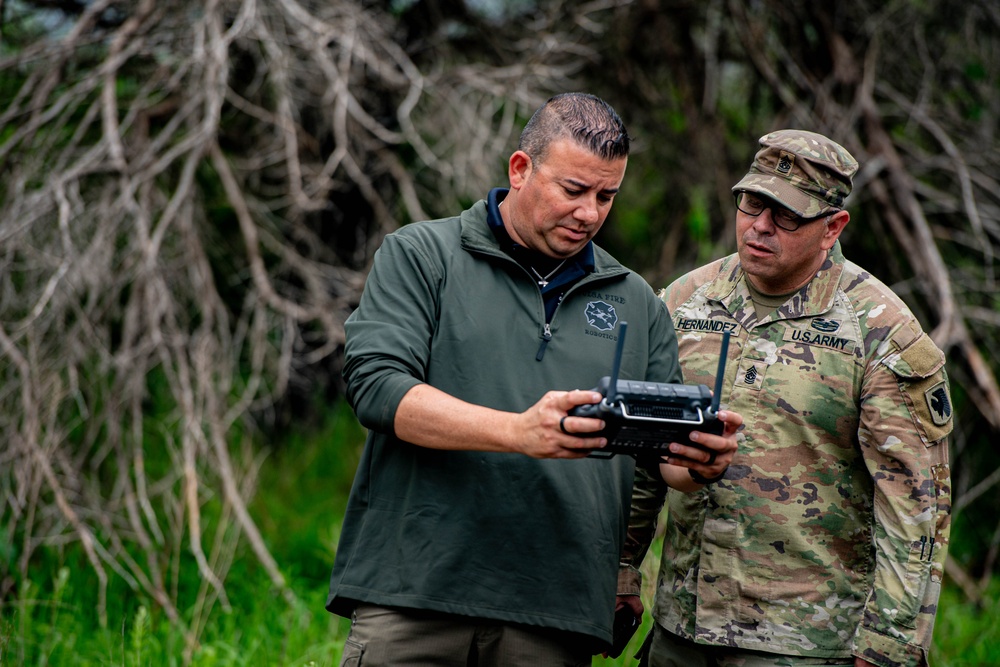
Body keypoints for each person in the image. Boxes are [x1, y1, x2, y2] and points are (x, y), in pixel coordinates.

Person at [325, 92, 743, 666]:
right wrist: (517, 432)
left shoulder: (637, 302)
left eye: (606, 196)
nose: (590, 214)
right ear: (520, 170)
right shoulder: (423, 255)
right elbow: (376, 387)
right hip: (416, 594)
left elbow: (661, 460)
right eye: (573, 191)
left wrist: (700, 461)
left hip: (556, 613)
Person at [620, 129, 954, 667]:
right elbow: (643, 453)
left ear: (833, 227)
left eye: (787, 215)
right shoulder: (684, 303)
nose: (759, 226)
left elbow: (914, 505)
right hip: (682, 628)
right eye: (752, 203)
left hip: (805, 642)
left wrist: (890, 645)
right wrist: (622, 570)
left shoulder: (879, 331)